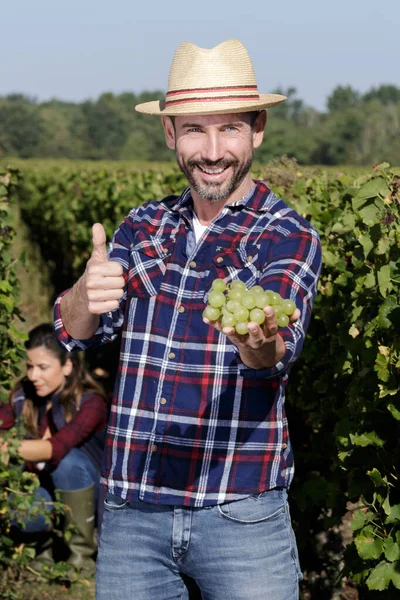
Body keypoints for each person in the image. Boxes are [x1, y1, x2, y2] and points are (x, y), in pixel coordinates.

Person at [54, 38, 322, 600]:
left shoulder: (287, 234)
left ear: (257, 131)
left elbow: (274, 350)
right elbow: (77, 331)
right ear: (171, 134)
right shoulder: (143, 227)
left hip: (239, 510)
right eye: (196, 130)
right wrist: (84, 292)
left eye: (229, 129)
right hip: (133, 508)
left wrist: (257, 341)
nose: (213, 150)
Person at [0, 323, 108, 573]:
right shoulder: (24, 397)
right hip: (48, 493)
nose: (33, 376)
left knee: (68, 461)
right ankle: (46, 546)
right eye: (29, 367)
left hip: (91, 494)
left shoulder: (91, 403)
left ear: (67, 366)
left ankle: (82, 555)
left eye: (42, 367)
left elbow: (56, 448)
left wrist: (8, 446)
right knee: (17, 508)